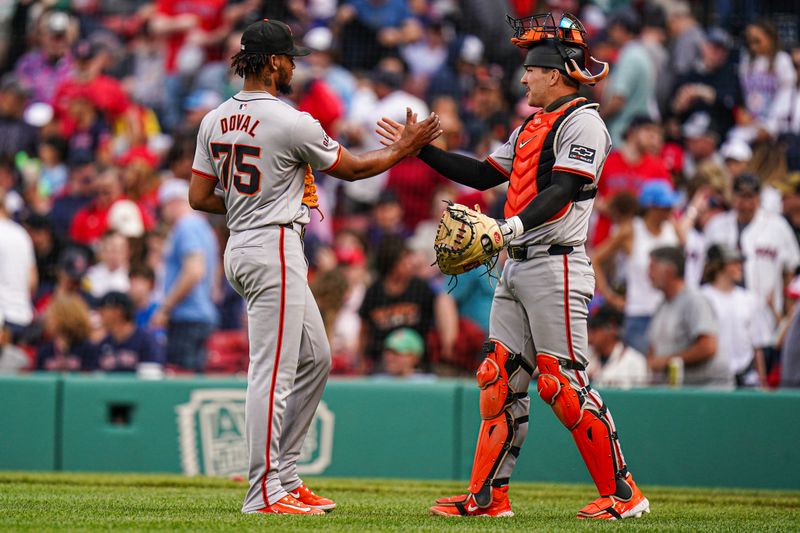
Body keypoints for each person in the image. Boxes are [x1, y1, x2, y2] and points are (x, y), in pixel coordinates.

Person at [378, 12, 648, 520]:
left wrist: (507, 229)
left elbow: (564, 191)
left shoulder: (584, 121)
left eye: (531, 69)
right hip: (518, 263)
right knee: (497, 376)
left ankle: (624, 493)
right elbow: (483, 172)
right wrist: (422, 153)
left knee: (561, 382)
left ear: (558, 72)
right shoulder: (532, 124)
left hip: (557, 264)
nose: (523, 77)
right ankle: (487, 498)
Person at [187, 19, 440, 516]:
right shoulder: (291, 120)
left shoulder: (213, 118)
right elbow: (356, 168)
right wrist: (406, 149)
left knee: (317, 359)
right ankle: (263, 493)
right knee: (273, 373)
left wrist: (246, 204)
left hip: (246, 245)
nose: (295, 67)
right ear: (275, 62)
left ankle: (284, 475)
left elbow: (199, 196)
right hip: (272, 246)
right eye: (291, 59)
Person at [592, 180, 680, 354]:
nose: (670, 210)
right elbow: (595, 258)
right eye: (665, 206)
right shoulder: (631, 231)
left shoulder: (672, 230)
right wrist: (610, 297)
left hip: (670, 313)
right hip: (639, 315)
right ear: (651, 208)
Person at [151, 179, 218, 373]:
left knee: (181, 379)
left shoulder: (186, 227)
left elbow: (194, 270)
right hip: (202, 314)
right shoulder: (204, 228)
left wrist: (165, 308)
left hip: (187, 317)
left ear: (172, 203)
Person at [646, 246, 726, 387]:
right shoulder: (661, 306)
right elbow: (653, 351)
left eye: (652, 268)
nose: (648, 274)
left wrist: (666, 361)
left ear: (669, 271)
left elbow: (708, 346)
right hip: (678, 391)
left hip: (706, 391)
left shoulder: (694, 300)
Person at [700, 244, 769, 387]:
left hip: (746, 374)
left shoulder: (748, 299)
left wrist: (763, 381)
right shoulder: (702, 297)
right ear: (719, 266)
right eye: (734, 263)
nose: (740, 267)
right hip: (714, 375)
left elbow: (757, 345)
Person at [90, 291, 163, 373]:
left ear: (118, 311)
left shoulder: (146, 340)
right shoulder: (103, 343)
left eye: (103, 309)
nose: (100, 313)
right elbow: (96, 376)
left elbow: (152, 375)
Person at [586, 306, 648, 389]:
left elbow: (640, 398)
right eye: (589, 329)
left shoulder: (635, 361)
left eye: (595, 329)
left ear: (612, 329)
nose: (590, 335)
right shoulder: (585, 356)